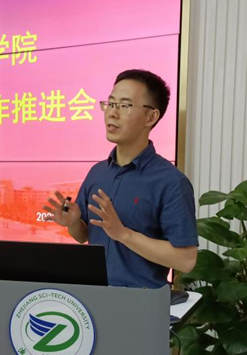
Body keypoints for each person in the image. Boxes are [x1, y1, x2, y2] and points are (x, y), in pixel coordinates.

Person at [43, 69, 198, 288]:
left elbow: (186, 260)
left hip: (140, 302)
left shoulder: (171, 182)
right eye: (111, 103)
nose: (112, 113)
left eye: (124, 106)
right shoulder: (98, 173)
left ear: (151, 117)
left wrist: (123, 234)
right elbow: (83, 236)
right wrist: (74, 222)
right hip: (93, 298)